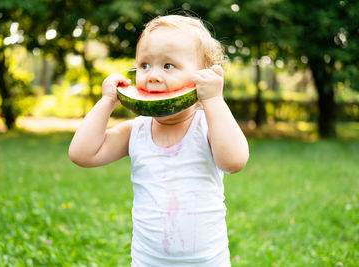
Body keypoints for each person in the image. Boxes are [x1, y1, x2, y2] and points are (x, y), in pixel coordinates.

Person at [69, 14, 249, 266]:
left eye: (168, 66)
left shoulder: (208, 128)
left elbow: (234, 161)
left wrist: (214, 101)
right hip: (147, 261)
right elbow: (82, 154)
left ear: (203, 77)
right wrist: (106, 103)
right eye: (144, 65)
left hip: (207, 262)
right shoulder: (136, 131)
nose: (152, 76)